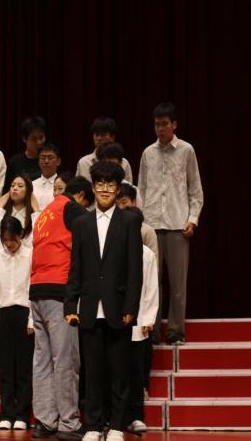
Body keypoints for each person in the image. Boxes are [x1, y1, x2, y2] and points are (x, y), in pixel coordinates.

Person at [65, 162, 143, 441]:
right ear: (93, 187)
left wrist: (131, 307)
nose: (105, 189)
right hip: (89, 307)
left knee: (119, 372)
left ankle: (118, 426)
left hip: (118, 307)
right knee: (93, 372)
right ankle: (94, 425)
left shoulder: (129, 221)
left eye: (110, 184)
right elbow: (76, 267)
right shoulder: (81, 223)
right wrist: (70, 304)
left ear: (118, 188)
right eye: (100, 184)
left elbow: (135, 270)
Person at [29, 176, 93, 440]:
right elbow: (93, 230)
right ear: (81, 196)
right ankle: (69, 423)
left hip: (36, 291)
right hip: (58, 292)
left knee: (42, 361)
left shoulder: (45, 213)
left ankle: (45, 421)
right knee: (65, 359)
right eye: (86, 204)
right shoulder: (71, 207)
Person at [138, 102, 204, 345]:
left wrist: (192, 219)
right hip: (152, 225)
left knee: (177, 284)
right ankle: (152, 330)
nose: (160, 129)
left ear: (174, 125)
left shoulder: (186, 151)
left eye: (164, 124)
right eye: (157, 124)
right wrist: (140, 222)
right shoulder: (148, 153)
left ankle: (176, 331)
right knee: (152, 281)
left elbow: (195, 189)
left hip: (177, 224)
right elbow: (141, 189)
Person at [0, 217, 34, 431]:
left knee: (23, 368)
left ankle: (22, 415)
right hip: (3, 314)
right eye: (5, 240)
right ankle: (6, 414)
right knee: (5, 368)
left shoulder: (30, 255)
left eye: (12, 239)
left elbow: (33, 288)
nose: (9, 244)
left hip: (23, 313)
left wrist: (32, 319)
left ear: (20, 235)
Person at [119, 207, 159, 435]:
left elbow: (152, 288)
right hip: (116, 322)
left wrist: (149, 318)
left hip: (139, 321)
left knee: (135, 373)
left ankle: (135, 416)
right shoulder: (114, 251)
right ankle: (115, 418)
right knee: (116, 373)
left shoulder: (147, 255)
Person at [0, 174, 39, 250]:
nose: (15, 188)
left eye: (20, 186)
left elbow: (37, 237)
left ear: (28, 191)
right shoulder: (2, 212)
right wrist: (0, 207)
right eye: (12, 185)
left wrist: (36, 211)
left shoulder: (33, 215)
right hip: (4, 255)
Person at [75, 117, 133, 183]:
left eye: (103, 135)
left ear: (112, 137)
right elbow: (77, 187)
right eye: (97, 135)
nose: (99, 138)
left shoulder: (124, 163)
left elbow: (128, 188)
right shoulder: (83, 162)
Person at [4, 116, 47, 192]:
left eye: (41, 138)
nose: (39, 142)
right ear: (24, 139)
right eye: (34, 139)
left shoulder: (49, 160)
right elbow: (7, 191)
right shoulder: (14, 162)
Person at [116, 183, 158, 260]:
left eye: (124, 202)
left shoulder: (147, 231)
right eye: (116, 204)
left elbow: (153, 262)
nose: (120, 207)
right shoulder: (107, 229)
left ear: (134, 202)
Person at [95, 142, 142, 208]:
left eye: (112, 164)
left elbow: (138, 213)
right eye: (105, 164)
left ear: (120, 163)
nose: (108, 168)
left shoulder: (133, 190)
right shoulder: (94, 189)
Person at [32, 143, 62, 211]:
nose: (46, 161)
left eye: (50, 158)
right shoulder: (31, 185)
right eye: (43, 158)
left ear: (58, 161)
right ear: (38, 162)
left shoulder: (65, 185)